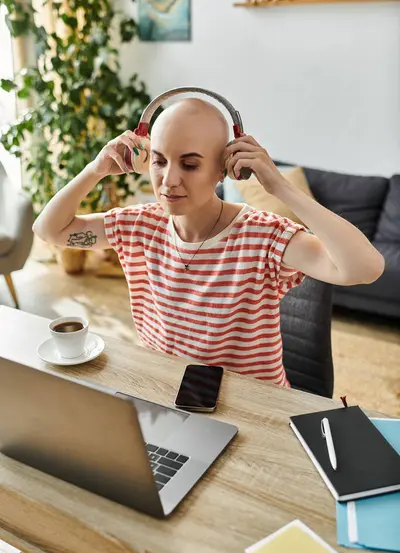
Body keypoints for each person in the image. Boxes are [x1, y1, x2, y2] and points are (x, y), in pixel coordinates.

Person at [33, 98, 385, 388]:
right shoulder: (139, 225)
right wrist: (95, 170)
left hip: (256, 411)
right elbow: (50, 230)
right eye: (159, 161)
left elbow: (366, 268)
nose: (168, 181)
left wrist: (279, 186)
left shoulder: (264, 236)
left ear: (224, 168)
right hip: (168, 395)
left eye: (189, 164)